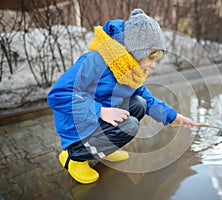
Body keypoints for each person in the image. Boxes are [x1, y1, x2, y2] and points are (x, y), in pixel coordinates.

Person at [47, 8, 196, 184]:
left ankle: (103, 148)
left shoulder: (128, 68)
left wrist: (175, 117)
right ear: (138, 51)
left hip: (95, 121)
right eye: (151, 58)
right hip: (76, 128)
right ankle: (73, 156)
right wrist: (100, 111)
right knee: (129, 126)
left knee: (139, 103)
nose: (153, 65)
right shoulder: (95, 61)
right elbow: (57, 95)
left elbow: (146, 99)